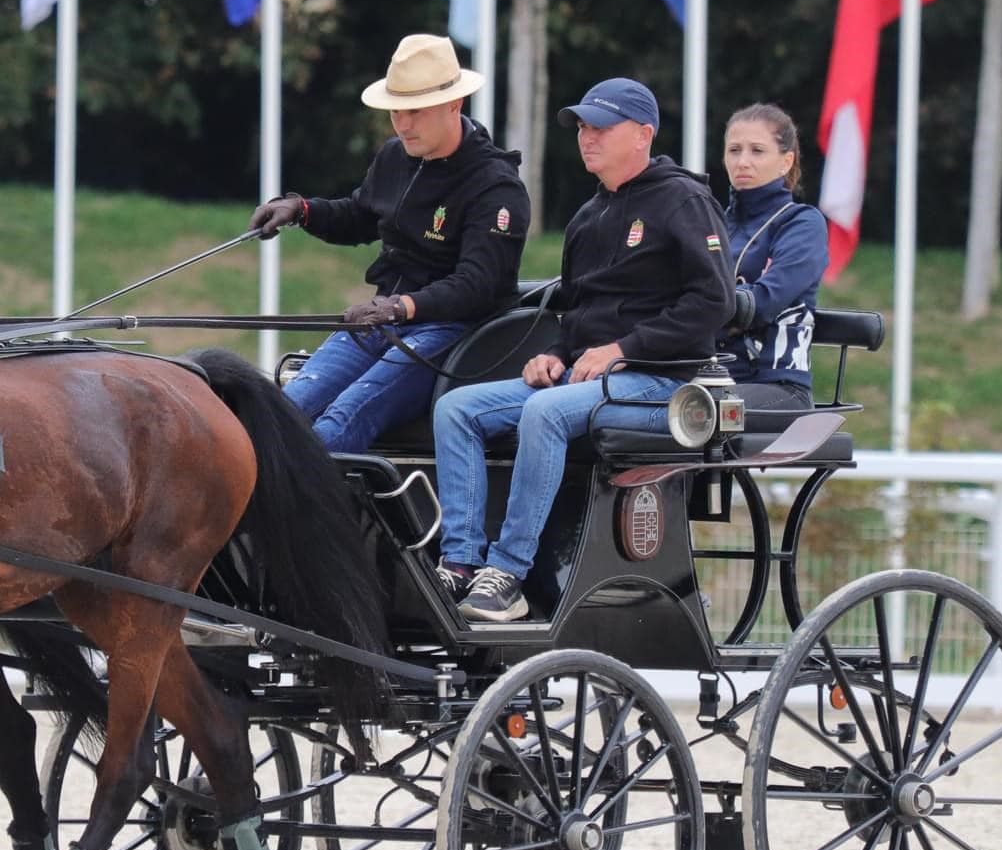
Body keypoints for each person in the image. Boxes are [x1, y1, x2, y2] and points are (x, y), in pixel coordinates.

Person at [434, 77, 733, 623]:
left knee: (544, 412)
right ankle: (458, 564)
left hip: (662, 382)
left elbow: (714, 304)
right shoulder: (588, 216)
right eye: (582, 126)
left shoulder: (685, 201)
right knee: (457, 408)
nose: (586, 136)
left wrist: (622, 347)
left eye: (601, 126)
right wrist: (553, 353)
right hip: (591, 378)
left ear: (643, 135)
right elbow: (576, 309)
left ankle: (508, 574)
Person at [248, 33, 530, 454]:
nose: (402, 124)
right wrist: (302, 209)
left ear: (455, 105)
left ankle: (316, 517)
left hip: (452, 333)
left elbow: (479, 284)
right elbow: (361, 215)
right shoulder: (396, 157)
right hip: (383, 320)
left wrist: (402, 307)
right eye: (395, 111)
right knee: (284, 413)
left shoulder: (496, 187)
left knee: (340, 423)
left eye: (414, 111)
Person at [719, 103, 827, 410]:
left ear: (786, 161)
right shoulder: (711, 222)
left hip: (775, 384)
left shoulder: (802, 223)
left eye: (757, 151)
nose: (742, 161)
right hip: (702, 376)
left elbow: (765, 301)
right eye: (734, 150)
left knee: (687, 413)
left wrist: (704, 306)